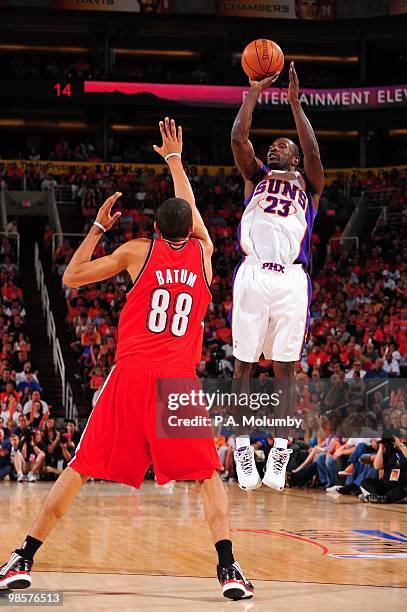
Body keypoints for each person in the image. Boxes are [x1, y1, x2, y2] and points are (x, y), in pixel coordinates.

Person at [0, 118, 253, 601]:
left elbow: (71, 278)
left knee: (79, 468)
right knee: (206, 476)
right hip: (177, 382)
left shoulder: (137, 251)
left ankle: (22, 559)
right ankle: (229, 569)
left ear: (156, 227)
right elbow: (192, 212)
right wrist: (175, 160)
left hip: (132, 377)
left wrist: (97, 227)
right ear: (191, 229)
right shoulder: (204, 254)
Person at [230, 62, 324, 490]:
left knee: (286, 368)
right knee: (243, 366)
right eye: (273, 147)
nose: (274, 149)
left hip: (291, 278)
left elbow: (315, 153)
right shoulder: (256, 178)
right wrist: (252, 93)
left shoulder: (309, 182)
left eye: (283, 146)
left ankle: (282, 448)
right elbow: (238, 138)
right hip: (253, 272)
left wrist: (294, 105)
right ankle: (244, 446)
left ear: (296, 157)